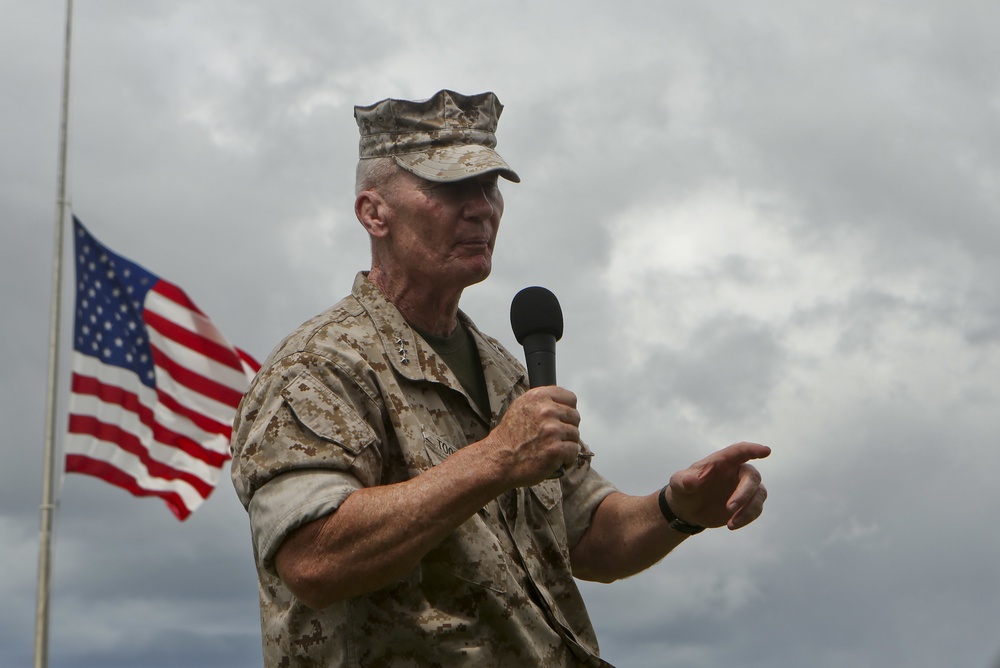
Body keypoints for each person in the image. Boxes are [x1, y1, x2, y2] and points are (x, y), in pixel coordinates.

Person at [230, 89, 770, 667]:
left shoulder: (502, 370)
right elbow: (314, 559)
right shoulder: (321, 366)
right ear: (373, 212)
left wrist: (676, 508)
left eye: (488, 186)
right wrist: (497, 460)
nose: (481, 207)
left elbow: (588, 535)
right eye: (448, 188)